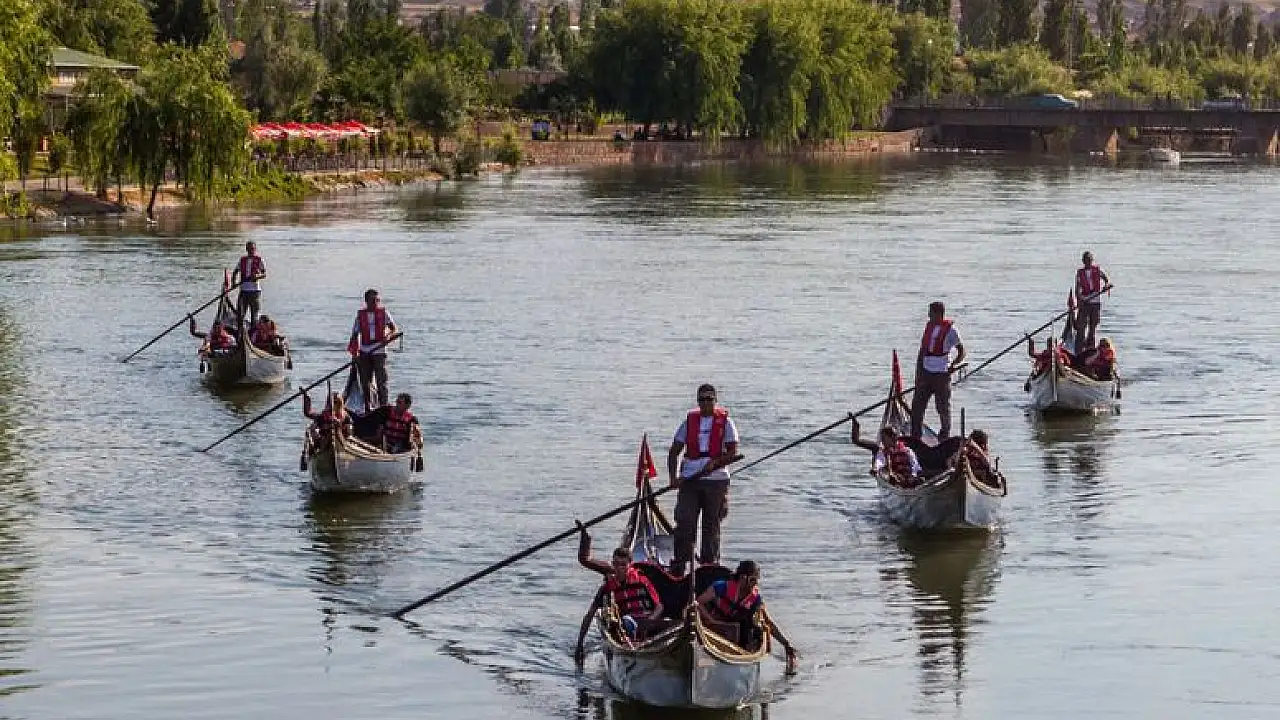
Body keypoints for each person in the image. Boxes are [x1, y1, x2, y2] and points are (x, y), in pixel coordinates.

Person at [667, 384, 739, 576]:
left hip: (716, 480)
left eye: (709, 399)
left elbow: (733, 452)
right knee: (685, 522)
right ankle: (679, 566)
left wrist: (715, 463)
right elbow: (674, 451)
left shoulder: (726, 422)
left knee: (711, 525)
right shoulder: (689, 422)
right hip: (690, 480)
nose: (706, 403)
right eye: (702, 399)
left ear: (715, 400)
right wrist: (673, 478)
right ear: (697, 401)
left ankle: (709, 567)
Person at [574, 527, 665, 666]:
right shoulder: (608, 587)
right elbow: (589, 615)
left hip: (647, 622)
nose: (619, 568)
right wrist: (579, 645)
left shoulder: (642, 581)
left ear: (630, 565)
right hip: (626, 626)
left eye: (623, 565)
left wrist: (651, 619)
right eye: (616, 564)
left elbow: (659, 606)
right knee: (626, 622)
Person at [696, 560, 798, 674]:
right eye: (753, 580)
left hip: (740, 636)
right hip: (717, 628)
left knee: (754, 628)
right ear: (743, 578)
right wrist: (711, 620)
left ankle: (741, 656)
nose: (755, 584)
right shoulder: (721, 587)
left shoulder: (755, 599)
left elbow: (768, 622)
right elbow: (698, 603)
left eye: (757, 580)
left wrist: (786, 644)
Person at [910, 301, 966, 440]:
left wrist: (954, 364)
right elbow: (922, 351)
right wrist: (918, 373)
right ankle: (915, 436)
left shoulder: (951, 330)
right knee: (917, 406)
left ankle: (944, 435)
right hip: (925, 372)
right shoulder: (929, 327)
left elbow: (962, 351)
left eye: (931, 313)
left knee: (942, 407)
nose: (929, 315)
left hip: (941, 373)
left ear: (938, 313)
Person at [348, 288, 398, 409]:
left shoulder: (384, 313)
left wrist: (388, 336)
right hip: (365, 351)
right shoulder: (360, 315)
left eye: (377, 300)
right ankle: (367, 405)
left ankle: (383, 405)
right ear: (366, 301)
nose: (376, 303)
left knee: (382, 380)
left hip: (379, 350)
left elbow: (394, 328)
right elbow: (354, 335)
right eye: (373, 300)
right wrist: (355, 354)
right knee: (365, 381)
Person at [851, 419, 922, 486]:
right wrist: (875, 469)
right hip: (894, 476)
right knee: (891, 477)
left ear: (893, 438)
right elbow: (880, 461)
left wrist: (913, 475)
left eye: (884, 438)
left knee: (918, 480)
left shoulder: (907, 450)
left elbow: (915, 464)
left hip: (908, 476)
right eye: (882, 438)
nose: (882, 441)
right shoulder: (882, 451)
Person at [1074, 251, 1111, 351]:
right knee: (1081, 326)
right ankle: (1079, 348)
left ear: (1092, 260)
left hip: (1095, 301)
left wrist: (1106, 286)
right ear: (1083, 261)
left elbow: (1106, 279)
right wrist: (1080, 299)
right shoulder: (1080, 273)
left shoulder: (1097, 270)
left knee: (1093, 325)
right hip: (1085, 301)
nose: (1088, 262)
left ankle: (1090, 346)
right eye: (1086, 260)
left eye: (1089, 260)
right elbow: (1077, 288)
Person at [230, 241, 267, 327]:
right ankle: (240, 330)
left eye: (252, 249)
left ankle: (253, 331)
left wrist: (257, 276)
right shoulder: (242, 260)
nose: (251, 251)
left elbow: (264, 274)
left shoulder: (259, 259)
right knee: (240, 313)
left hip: (255, 291)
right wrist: (233, 283)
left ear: (255, 249)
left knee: (254, 314)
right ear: (246, 249)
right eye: (249, 249)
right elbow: (235, 272)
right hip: (244, 290)